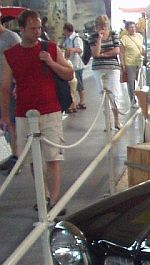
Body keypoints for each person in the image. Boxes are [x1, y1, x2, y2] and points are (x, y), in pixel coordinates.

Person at [1, 9, 73, 209]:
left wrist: (50, 62)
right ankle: (44, 196)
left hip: (50, 110)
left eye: (39, 28)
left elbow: (69, 74)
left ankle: (55, 200)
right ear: (22, 29)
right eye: (32, 28)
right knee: (34, 159)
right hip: (24, 112)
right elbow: (5, 86)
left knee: (53, 157)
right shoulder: (11, 55)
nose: (37, 32)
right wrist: (5, 115)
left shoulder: (50, 48)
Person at [90, 15, 123, 129]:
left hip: (113, 67)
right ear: (97, 26)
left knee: (115, 93)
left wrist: (103, 54)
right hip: (98, 68)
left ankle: (117, 120)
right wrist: (99, 39)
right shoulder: (93, 37)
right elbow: (95, 53)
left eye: (105, 25)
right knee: (102, 94)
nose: (103, 27)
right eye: (100, 25)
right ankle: (107, 122)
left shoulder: (114, 34)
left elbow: (117, 50)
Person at [0, 20, 21, 174]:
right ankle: (8, 155)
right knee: (4, 124)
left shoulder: (11, 37)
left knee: (12, 123)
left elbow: (21, 61)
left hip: (10, 86)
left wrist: (19, 83)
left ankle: (16, 158)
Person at [61, 23, 86, 112]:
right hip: (70, 64)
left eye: (64, 30)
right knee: (72, 86)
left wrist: (72, 50)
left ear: (67, 30)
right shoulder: (66, 39)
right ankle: (73, 104)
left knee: (79, 84)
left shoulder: (76, 38)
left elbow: (80, 49)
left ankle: (82, 102)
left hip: (76, 65)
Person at [120, 21, 145, 105]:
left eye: (134, 27)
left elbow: (142, 48)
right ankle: (133, 100)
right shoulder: (124, 38)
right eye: (130, 27)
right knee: (131, 83)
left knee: (141, 83)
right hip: (129, 63)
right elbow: (121, 52)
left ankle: (142, 100)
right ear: (127, 29)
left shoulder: (140, 36)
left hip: (139, 62)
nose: (133, 29)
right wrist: (122, 64)